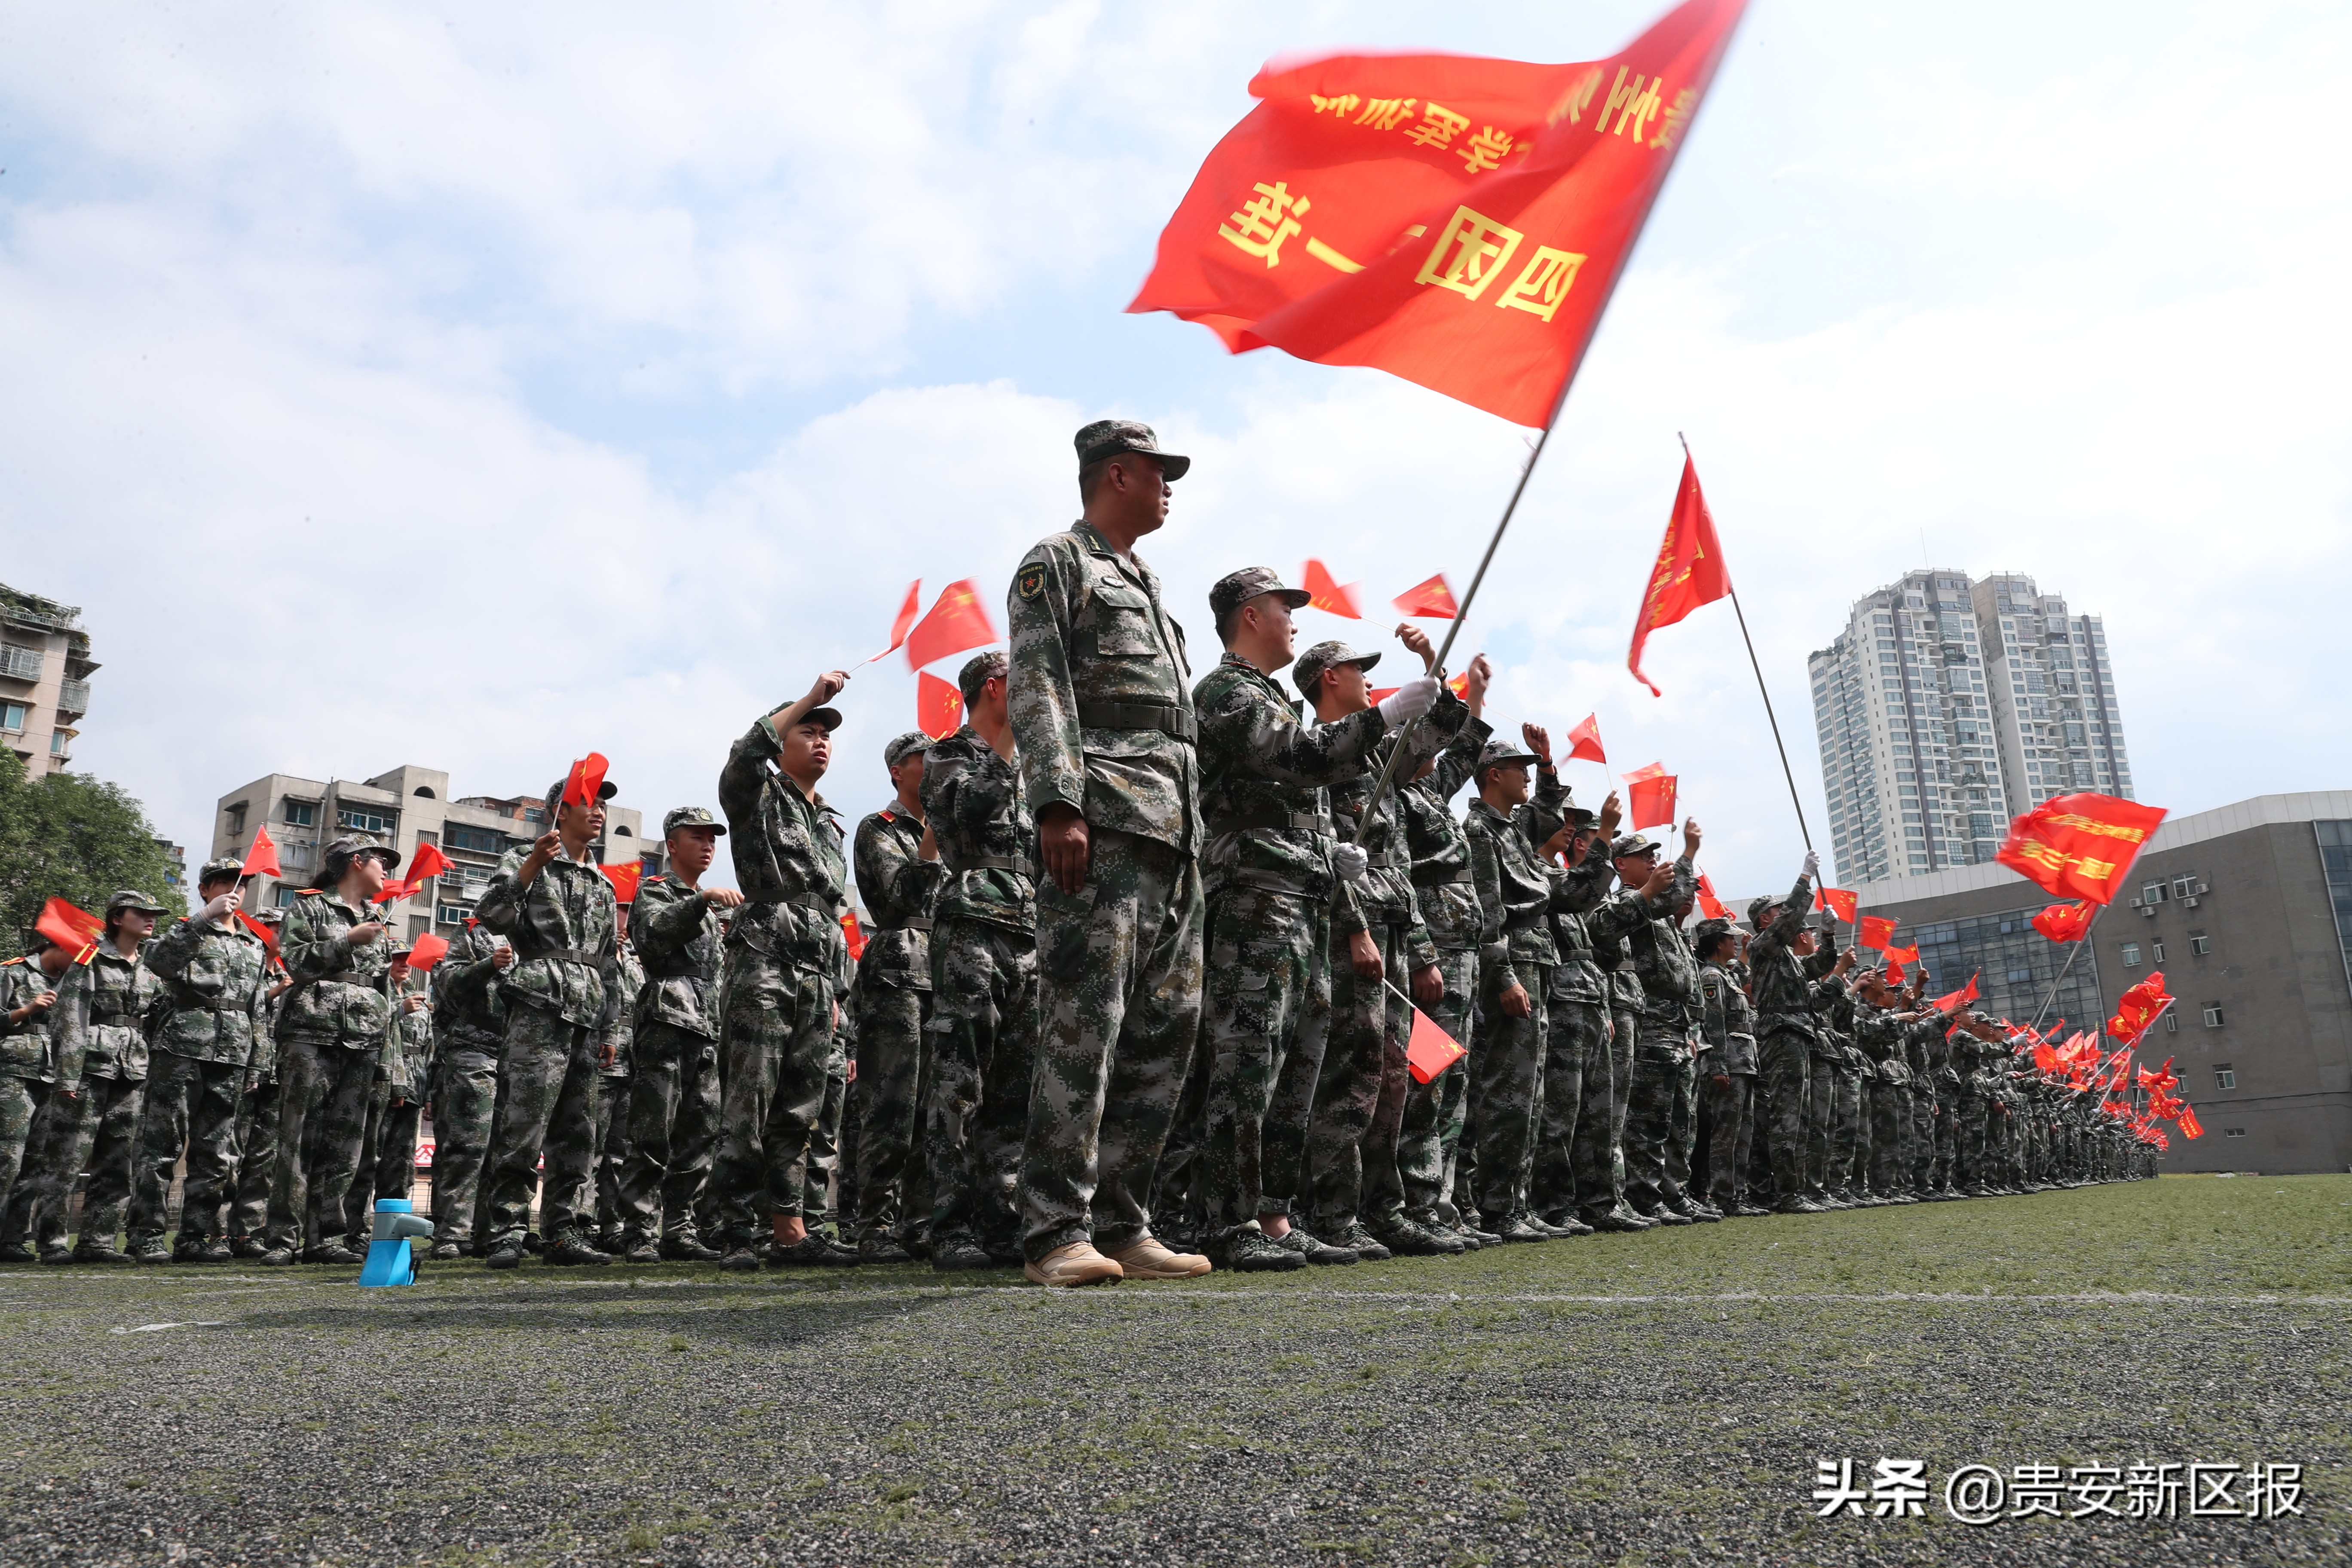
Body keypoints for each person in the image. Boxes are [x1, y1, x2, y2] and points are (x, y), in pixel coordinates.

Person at [1004, 419, 1211, 1288]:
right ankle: (1056, 1230)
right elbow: (1038, 680)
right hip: (1106, 818)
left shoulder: (1146, 583)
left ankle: (1124, 1225)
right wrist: (1058, 802)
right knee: (1084, 1029)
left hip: (1172, 833)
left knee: (1162, 1036)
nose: (1170, 487)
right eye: (1159, 473)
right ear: (1116, 473)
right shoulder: (1059, 561)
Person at [1181, 570, 1397, 1274]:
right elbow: (1301, 759)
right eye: (1284, 607)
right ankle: (1229, 1216)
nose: (1293, 619)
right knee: (1248, 1064)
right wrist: (1383, 722)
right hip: (1253, 898)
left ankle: (1272, 1213)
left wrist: (1332, 861)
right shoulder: (1226, 690)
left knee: (1295, 1069)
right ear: (1250, 615)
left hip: (1301, 900)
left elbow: (1307, 783)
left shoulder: (1274, 698)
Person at [711, 676, 858, 1271]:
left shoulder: (829, 821)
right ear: (781, 739)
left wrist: (839, 993)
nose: (821, 739)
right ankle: (735, 1231)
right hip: (766, 961)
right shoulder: (757, 792)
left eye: (826, 733)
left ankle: (792, 1231)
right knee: (750, 1103)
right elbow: (744, 753)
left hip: (817, 974)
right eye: (809, 729)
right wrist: (810, 694)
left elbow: (835, 912)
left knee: (803, 1108)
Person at [919, 651, 1039, 1271]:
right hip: (971, 923)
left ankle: (1002, 1220)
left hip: (1027, 931)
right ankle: (951, 1225)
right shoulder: (949, 756)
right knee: (961, 1082)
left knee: (1017, 1089)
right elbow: (968, 811)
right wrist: (1016, 755)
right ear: (996, 689)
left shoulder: (1032, 765)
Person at [475, 777, 624, 1269]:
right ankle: (506, 1231)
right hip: (541, 1001)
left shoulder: (602, 881)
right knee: (524, 1124)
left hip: (587, 1010)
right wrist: (533, 865)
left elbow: (608, 962)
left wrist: (611, 1027)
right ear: (560, 812)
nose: (599, 811)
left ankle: (565, 1232)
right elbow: (492, 916)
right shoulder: (525, 858)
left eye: (604, 804)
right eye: (588, 802)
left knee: (579, 1132)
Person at [1389, 657, 1494, 1247]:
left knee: (1451, 1083)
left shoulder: (1429, 788)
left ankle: (1442, 1201)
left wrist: (1474, 696)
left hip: (1462, 958)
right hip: (1430, 955)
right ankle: (1419, 1201)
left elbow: (1465, 747)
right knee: (1426, 1081)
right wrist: (1423, 951)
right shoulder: (1396, 792)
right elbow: (1402, 878)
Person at [264, 834, 404, 1264]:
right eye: (381, 860)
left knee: (347, 1144)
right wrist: (347, 940)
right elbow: (296, 963)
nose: (386, 869)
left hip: (364, 1038)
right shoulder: (309, 906)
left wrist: (393, 1061)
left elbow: (386, 991)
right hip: (312, 1034)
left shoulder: (378, 917)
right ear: (357, 862)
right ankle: (283, 1239)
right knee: (298, 1138)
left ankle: (327, 1237)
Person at [129, 868, 270, 1262]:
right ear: (206, 889)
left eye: (241, 884)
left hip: (233, 1052)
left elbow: (258, 1008)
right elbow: (158, 963)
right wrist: (203, 917)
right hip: (182, 1046)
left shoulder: (253, 943)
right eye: (225, 883)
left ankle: (195, 1237)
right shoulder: (188, 931)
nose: (235, 891)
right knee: (161, 1145)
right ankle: (146, 1235)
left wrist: (258, 1062)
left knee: (216, 1151)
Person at [618, 808, 738, 1262]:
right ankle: (638, 1232)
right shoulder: (656, 892)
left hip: (706, 1026)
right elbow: (651, 935)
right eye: (697, 837)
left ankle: (680, 1230)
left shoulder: (710, 905)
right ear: (672, 844)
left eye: (712, 838)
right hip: (667, 1020)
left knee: (700, 1133)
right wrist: (701, 901)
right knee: (652, 1131)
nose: (708, 845)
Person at [1461, 735, 1567, 1241]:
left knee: (1532, 1091)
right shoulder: (1480, 830)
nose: (1527, 776)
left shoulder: (1513, 828)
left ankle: (1515, 1204)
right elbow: (1487, 909)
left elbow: (1549, 811)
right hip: (1514, 958)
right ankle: (1496, 1206)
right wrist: (1502, 976)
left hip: (1536, 958)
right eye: (1518, 767)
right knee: (1508, 1091)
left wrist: (1546, 761)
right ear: (1493, 775)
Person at [850, 732, 945, 1264]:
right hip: (898, 972)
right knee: (891, 1106)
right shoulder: (878, 829)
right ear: (897, 772)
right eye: (920, 760)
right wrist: (932, 836)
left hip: (948, 973)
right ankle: (875, 1225)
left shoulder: (952, 830)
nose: (933, 767)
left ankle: (921, 1223)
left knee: (937, 1109)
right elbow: (903, 895)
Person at [1607, 822, 1714, 1225]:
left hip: (1676, 1025)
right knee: (1649, 1119)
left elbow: (1678, 899)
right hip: (1650, 1019)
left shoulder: (1659, 912)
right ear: (1621, 865)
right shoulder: (1630, 904)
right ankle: (1646, 1194)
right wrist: (1687, 854)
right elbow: (1667, 898)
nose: (1652, 859)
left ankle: (1674, 1191)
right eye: (1642, 856)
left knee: (1679, 1119)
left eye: (1654, 853)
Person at [425, 919, 511, 1257]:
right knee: (467, 1144)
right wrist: (488, 965)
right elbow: (449, 984)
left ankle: (495, 1231)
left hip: (522, 1050)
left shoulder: (537, 931)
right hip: (475, 1047)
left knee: (507, 1149)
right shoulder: (475, 932)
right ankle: (453, 1232)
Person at [1747, 857, 1824, 1215]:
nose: (1786, 916)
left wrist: (1831, 937)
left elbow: (1819, 983)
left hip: (1797, 1032)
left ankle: (1798, 1190)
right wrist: (1805, 877)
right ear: (1765, 919)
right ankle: (1786, 1193)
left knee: (1801, 1116)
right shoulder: (1763, 946)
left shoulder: (1787, 958)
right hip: (1781, 1032)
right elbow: (1790, 921)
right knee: (1787, 1116)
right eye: (1777, 911)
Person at [225, 909, 292, 1256]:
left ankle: (248, 1232)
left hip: (275, 1074)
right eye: (278, 928)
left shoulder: (287, 973)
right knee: (229, 1154)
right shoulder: (245, 970)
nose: (284, 934)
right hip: (243, 1069)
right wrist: (274, 992)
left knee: (263, 1161)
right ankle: (217, 1231)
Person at [0, 927, 73, 1240]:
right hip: (12, 1075)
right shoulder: (12, 972)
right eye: (78, 953)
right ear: (59, 946)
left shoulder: (76, 983)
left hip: (52, 1076)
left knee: (36, 1160)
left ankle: (14, 1238)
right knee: (7, 1156)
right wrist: (26, 1010)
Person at [1694, 920, 1763, 1216]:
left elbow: (1748, 976)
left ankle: (1738, 1193)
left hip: (1743, 1063)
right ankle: (1723, 1194)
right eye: (1731, 940)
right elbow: (1714, 1024)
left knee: (1743, 1133)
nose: (1736, 944)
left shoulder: (1728, 976)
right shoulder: (1711, 976)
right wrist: (1718, 1065)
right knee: (1726, 1133)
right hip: (1729, 1064)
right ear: (1718, 943)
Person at [590, 915, 643, 1251]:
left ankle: (614, 1223)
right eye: (617, 917)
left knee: (620, 1152)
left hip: (632, 1065)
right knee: (591, 1149)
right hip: (600, 1063)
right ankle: (584, 1224)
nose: (622, 926)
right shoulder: (593, 960)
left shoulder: (636, 967)